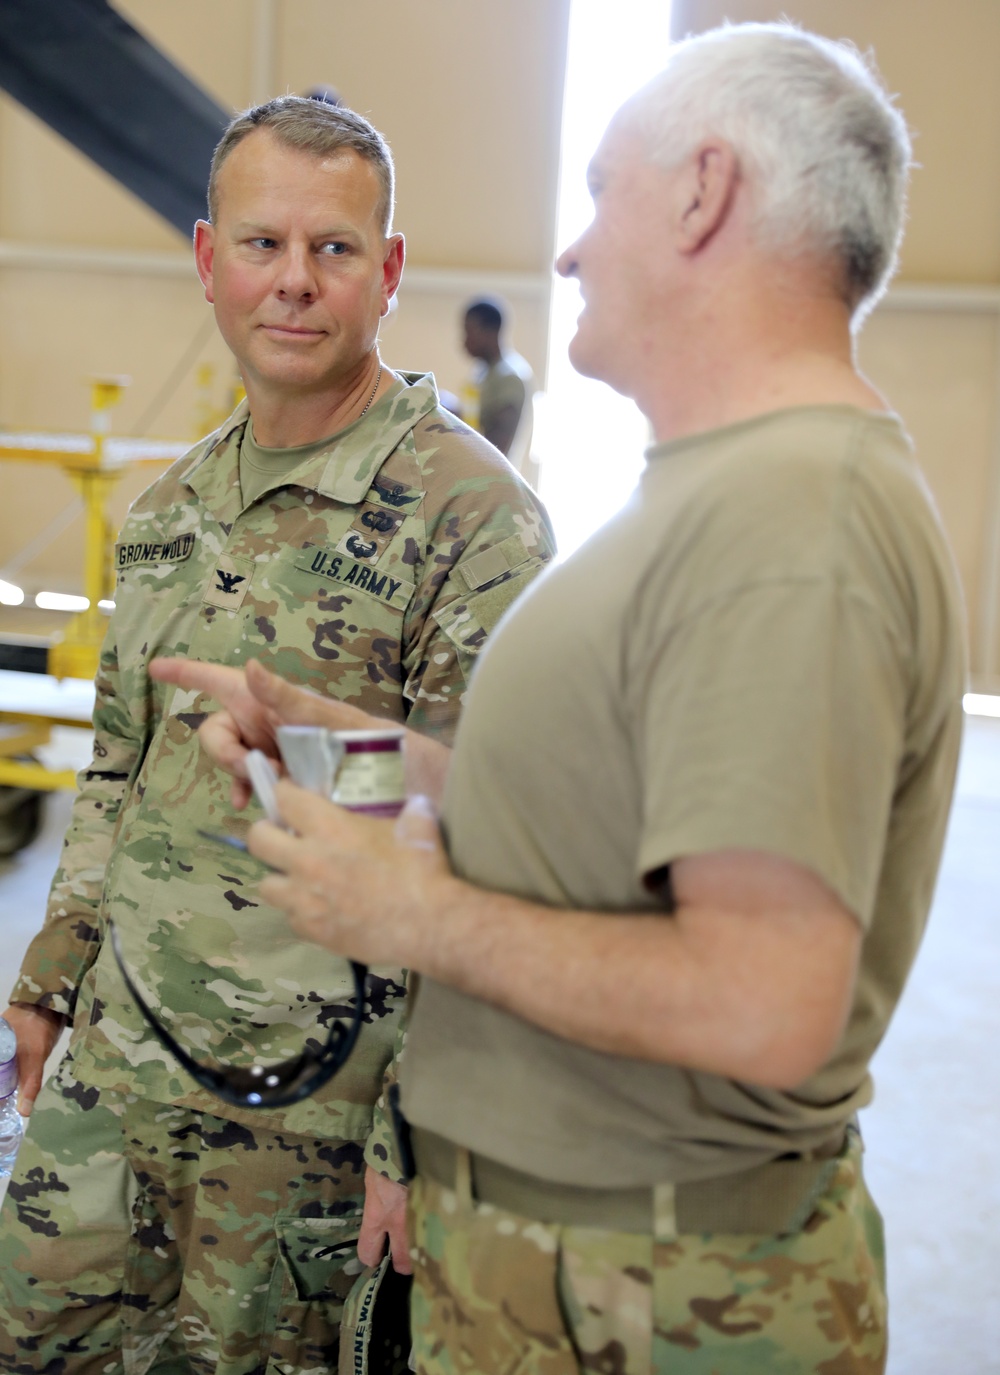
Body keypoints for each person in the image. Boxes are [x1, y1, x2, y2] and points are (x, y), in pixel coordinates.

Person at [156, 22, 967, 1374]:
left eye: (602, 192)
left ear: (704, 192)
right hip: (582, 1269)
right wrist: (344, 755)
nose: (575, 247)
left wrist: (414, 910)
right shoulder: (725, 495)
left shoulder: (790, 522)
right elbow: (601, 822)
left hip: (647, 1292)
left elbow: (764, 997)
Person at [0, 96, 554, 1373]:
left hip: (313, 1120)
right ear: (207, 261)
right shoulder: (168, 509)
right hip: (117, 1082)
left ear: (389, 271)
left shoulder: (475, 523)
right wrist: (50, 973)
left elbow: (496, 850)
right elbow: (118, 767)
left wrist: (424, 1135)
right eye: (261, 245)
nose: (293, 283)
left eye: (335, 249)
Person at [461, 297, 534, 466]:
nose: (464, 341)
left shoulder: (509, 377)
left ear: (491, 331)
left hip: (495, 478)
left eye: (469, 331)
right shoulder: (483, 373)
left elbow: (498, 447)